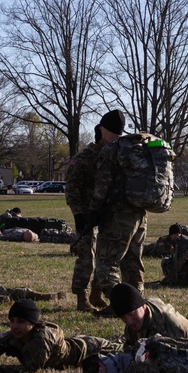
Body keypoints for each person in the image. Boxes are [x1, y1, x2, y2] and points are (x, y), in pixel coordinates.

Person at [86, 110, 148, 306]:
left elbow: (102, 186)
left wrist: (93, 211)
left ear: (103, 128)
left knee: (106, 265)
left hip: (117, 216)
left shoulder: (111, 150)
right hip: (140, 213)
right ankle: (139, 305)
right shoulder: (135, 147)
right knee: (133, 264)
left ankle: (123, 306)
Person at [65, 117, 120, 312]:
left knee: (103, 256)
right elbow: (71, 189)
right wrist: (78, 215)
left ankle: (96, 294)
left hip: (106, 214)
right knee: (86, 256)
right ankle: (82, 298)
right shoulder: (84, 158)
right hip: (87, 215)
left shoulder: (113, 156)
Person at [109, 282, 188, 350]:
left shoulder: (169, 326)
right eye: (123, 318)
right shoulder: (136, 321)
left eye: (131, 314)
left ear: (143, 306)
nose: (129, 321)